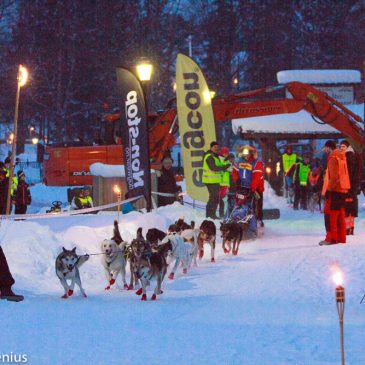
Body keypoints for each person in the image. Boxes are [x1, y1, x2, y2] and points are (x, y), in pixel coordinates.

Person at [319, 140, 350, 245]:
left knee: (330, 215)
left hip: (335, 190)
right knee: (340, 215)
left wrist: (329, 190)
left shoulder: (333, 158)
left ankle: (331, 239)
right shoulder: (342, 156)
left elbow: (334, 177)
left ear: (329, 147)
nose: (325, 150)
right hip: (343, 189)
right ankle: (341, 238)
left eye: (326, 148)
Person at [236, 145, 264, 234]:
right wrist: (236, 181)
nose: (246, 155)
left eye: (248, 153)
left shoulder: (257, 163)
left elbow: (256, 177)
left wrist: (252, 188)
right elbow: (235, 172)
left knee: (257, 202)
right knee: (239, 202)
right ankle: (238, 218)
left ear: (252, 153)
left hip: (255, 187)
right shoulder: (239, 161)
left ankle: (258, 220)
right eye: (244, 153)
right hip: (242, 186)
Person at [202, 141, 231, 219]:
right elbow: (213, 168)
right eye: (214, 147)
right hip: (210, 181)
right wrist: (224, 167)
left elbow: (219, 166)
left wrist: (225, 166)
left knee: (215, 198)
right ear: (211, 148)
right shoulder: (209, 156)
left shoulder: (215, 156)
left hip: (215, 181)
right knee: (213, 198)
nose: (216, 149)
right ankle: (209, 215)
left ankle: (212, 214)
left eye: (217, 147)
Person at [339, 140, 361, 235]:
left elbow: (349, 173)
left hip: (349, 186)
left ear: (347, 147)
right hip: (353, 186)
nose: (341, 148)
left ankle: (348, 228)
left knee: (347, 208)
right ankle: (350, 228)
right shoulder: (352, 155)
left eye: (343, 146)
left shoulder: (349, 156)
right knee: (350, 208)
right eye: (340, 146)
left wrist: (346, 185)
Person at [218, 147, 233, 219]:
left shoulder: (227, 161)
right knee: (221, 199)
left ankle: (222, 214)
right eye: (225, 153)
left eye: (227, 153)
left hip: (225, 183)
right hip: (220, 182)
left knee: (222, 199)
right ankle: (221, 214)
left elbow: (230, 169)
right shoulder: (219, 159)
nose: (226, 154)